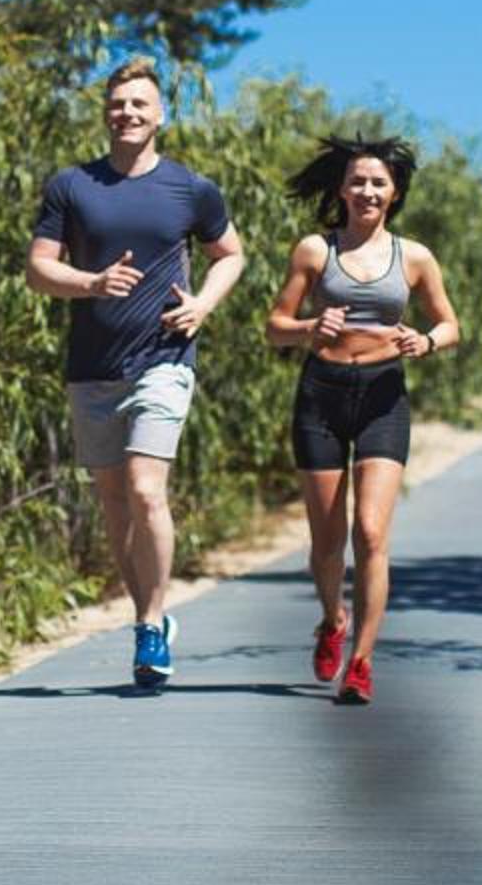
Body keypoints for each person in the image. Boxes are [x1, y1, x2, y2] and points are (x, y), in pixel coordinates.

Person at [26, 57, 248, 688]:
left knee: (147, 490)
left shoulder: (190, 189)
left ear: (161, 115)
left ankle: (152, 624)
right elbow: (38, 269)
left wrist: (203, 305)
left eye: (138, 104)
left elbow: (230, 254)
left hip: (164, 358)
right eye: (118, 104)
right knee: (116, 505)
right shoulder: (72, 186)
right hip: (92, 366)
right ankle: (146, 615)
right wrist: (91, 283)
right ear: (106, 114)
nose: (127, 113)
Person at [262, 134, 460, 706]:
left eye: (378, 183)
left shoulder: (414, 258)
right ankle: (333, 619)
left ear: (394, 193)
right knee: (327, 543)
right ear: (342, 190)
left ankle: (362, 662)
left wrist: (425, 341)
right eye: (358, 182)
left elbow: (450, 324)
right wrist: (309, 328)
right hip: (321, 394)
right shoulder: (314, 251)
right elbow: (275, 326)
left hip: (382, 396)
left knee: (371, 533)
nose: (368, 191)